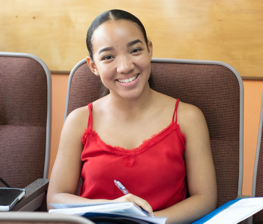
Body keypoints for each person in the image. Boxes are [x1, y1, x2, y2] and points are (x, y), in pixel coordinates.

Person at [47, 9, 217, 224]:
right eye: (108, 57)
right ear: (93, 66)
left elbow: (205, 198)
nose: (125, 66)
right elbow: (55, 199)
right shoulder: (79, 121)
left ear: (149, 50)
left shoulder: (188, 117)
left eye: (135, 50)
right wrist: (114, 207)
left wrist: (152, 222)